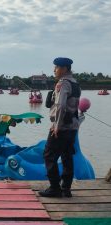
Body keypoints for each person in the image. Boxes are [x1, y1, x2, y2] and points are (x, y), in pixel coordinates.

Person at [39, 57, 81, 198]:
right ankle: (66, 189)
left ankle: (55, 188)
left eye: (56, 67)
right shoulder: (75, 83)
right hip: (72, 126)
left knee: (49, 155)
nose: (54, 70)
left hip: (61, 127)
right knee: (66, 156)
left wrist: (56, 126)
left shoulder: (63, 84)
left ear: (64, 69)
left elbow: (61, 106)